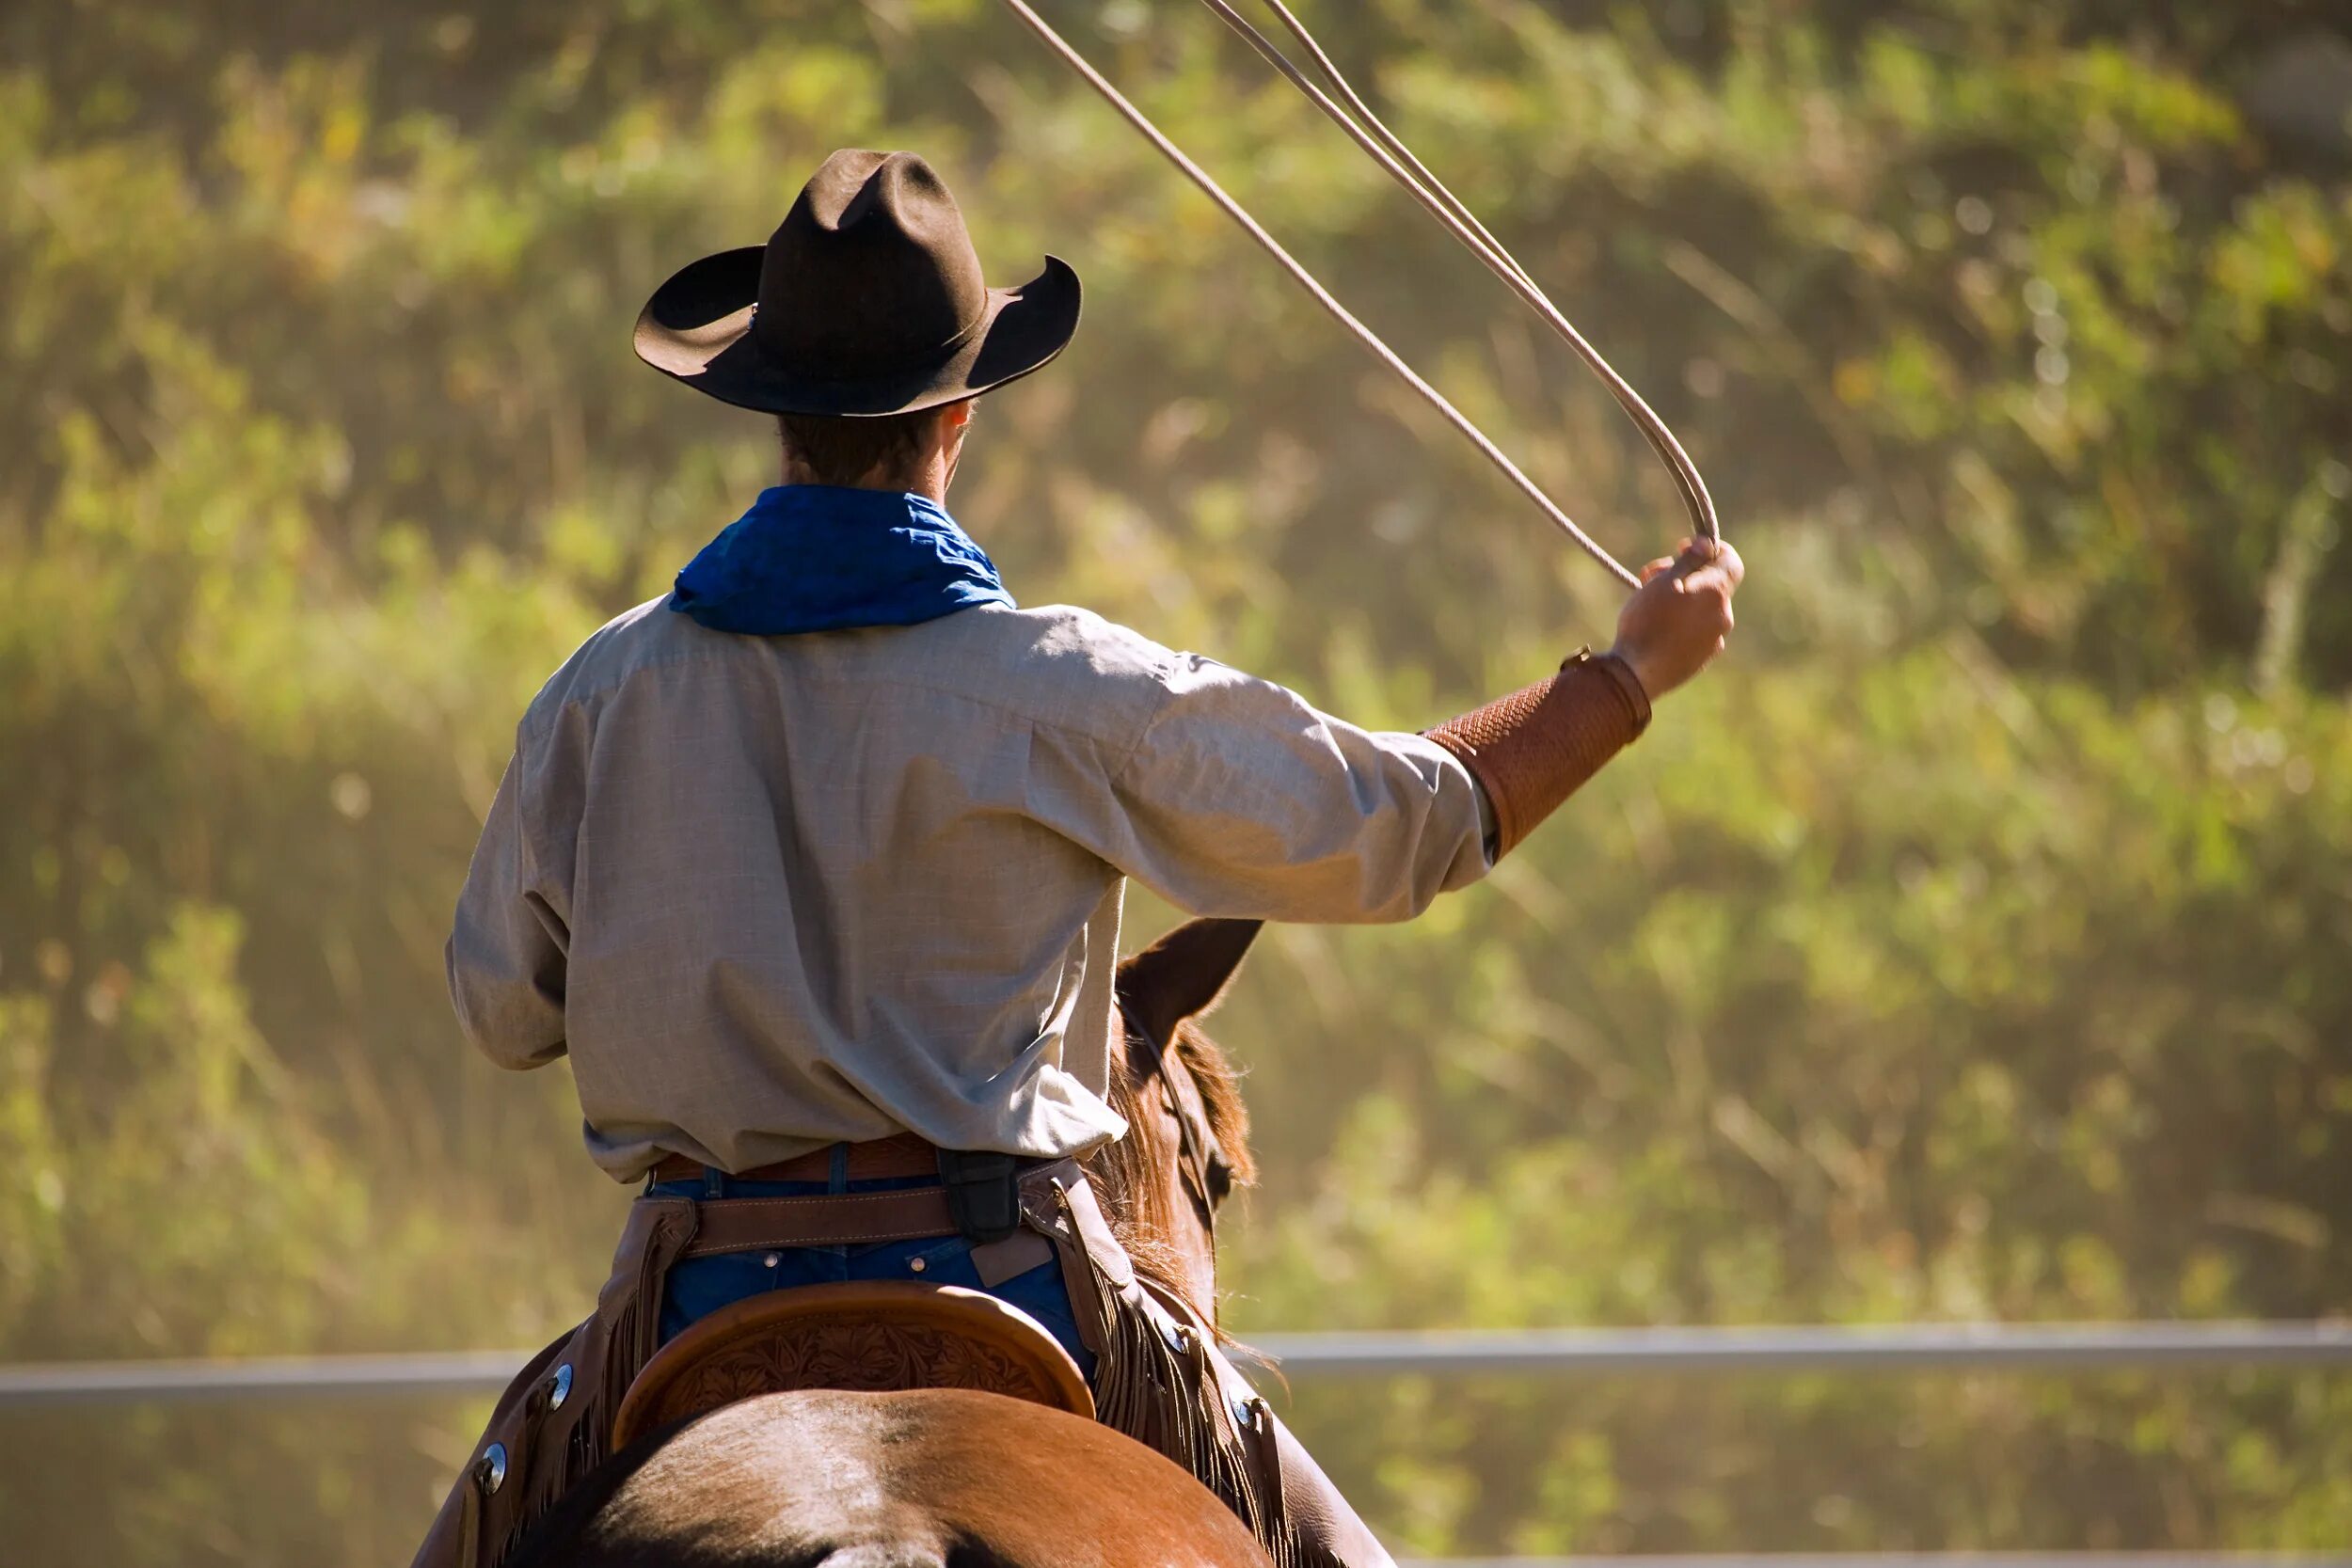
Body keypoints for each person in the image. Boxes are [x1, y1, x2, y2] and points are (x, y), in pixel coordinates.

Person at [415, 148, 1741, 1568]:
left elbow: (503, 1013)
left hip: (688, 1299)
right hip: (1016, 1274)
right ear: (963, 412)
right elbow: (1397, 827)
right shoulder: (1060, 683)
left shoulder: (604, 693)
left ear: (767, 407)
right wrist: (1622, 680)